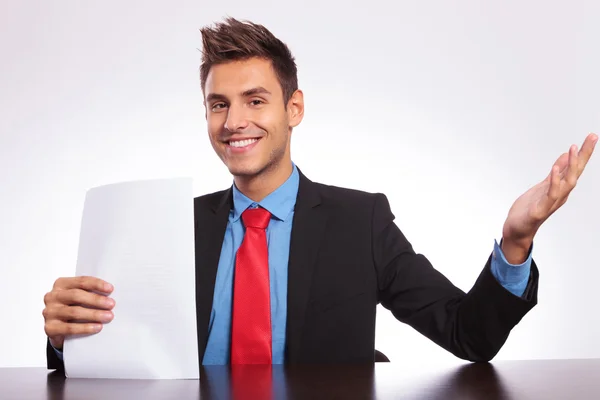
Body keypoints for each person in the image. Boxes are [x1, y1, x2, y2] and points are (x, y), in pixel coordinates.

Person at [44, 17, 597, 368]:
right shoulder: (167, 224)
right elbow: (116, 355)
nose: (234, 121)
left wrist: (516, 241)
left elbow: (469, 335)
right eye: (219, 104)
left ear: (294, 109)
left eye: (256, 100)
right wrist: (66, 336)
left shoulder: (362, 222)